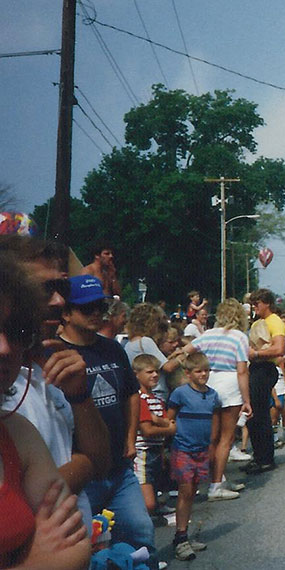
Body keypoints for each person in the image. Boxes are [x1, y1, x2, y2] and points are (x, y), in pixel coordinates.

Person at [0, 235, 110, 524]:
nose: (60, 300)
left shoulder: (52, 366)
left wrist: (80, 395)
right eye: (43, 289)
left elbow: (101, 461)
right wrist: (82, 463)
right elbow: (17, 497)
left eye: (61, 286)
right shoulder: (6, 377)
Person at [0, 252, 91, 570]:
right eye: (44, 288)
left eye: (14, 330)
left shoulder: (17, 430)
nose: (4, 347)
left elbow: (72, 546)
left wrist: (80, 395)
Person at [59, 275, 155, 559]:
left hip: (119, 467)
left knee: (140, 530)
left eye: (100, 306)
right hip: (83, 472)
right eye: (87, 308)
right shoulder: (57, 353)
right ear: (66, 312)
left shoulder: (112, 347)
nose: (97, 314)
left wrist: (130, 439)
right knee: (89, 548)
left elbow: (131, 393)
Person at [188, 298, 253, 498]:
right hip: (230, 384)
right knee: (226, 438)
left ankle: (217, 478)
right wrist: (247, 400)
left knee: (212, 438)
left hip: (209, 382)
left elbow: (187, 350)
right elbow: (242, 371)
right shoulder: (239, 337)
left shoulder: (208, 334)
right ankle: (216, 486)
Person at [165, 352, 220, 560]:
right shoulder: (180, 394)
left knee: (193, 492)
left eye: (206, 370)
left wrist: (211, 446)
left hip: (202, 450)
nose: (204, 374)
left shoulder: (213, 395)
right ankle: (180, 538)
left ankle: (184, 534)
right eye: (199, 371)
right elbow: (169, 420)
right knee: (185, 491)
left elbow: (214, 423)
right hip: (183, 448)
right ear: (188, 374)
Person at [243, 289, 285, 475]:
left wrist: (257, 354)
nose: (255, 307)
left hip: (265, 368)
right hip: (256, 367)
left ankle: (265, 458)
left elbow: (279, 348)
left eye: (257, 303)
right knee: (253, 415)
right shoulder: (258, 323)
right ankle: (259, 455)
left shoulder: (274, 321)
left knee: (260, 414)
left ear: (267, 303)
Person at [131, 353, 175, 517]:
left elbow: (165, 420)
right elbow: (147, 430)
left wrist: (161, 422)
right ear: (137, 374)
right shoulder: (140, 398)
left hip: (156, 450)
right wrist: (168, 429)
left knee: (154, 486)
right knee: (147, 500)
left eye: (156, 371)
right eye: (149, 372)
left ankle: (154, 512)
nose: (155, 375)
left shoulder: (156, 399)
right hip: (143, 452)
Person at [123, 303, 179, 401]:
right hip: (155, 394)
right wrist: (183, 355)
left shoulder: (129, 344)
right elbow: (168, 367)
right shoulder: (145, 342)